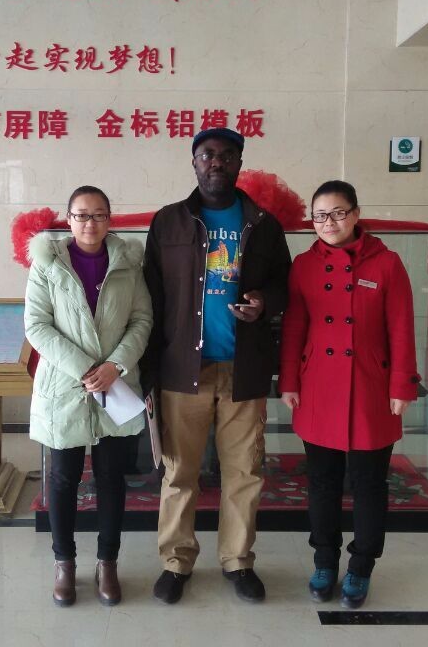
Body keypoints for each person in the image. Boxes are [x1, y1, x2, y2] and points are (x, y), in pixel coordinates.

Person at [141, 127, 292, 605]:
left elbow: (287, 286)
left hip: (242, 369)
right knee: (179, 471)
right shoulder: (168, 223)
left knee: (243, 472)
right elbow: (151, 299)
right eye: (207, 155)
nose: (217, 163)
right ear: (194, 161)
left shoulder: (263, 223)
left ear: (239, 164)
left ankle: (237, 561)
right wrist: (149, 370)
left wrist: (264, 302)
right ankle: (175, 562)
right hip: (182, 369)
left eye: (227, 156)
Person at [278, 180, 420, 608]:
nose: (329, 223)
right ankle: (324, 561)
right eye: (320, 216)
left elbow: (401, 329)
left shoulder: (387, 264)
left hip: (371, 390)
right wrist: (288, 381)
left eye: (338, 213)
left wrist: (401, 386)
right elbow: (294, 328)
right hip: (318, 388)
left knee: (369, 484)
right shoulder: (303, 265)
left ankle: (361, 567)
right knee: (321, 483)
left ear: (356, 214)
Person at [24, 186, 152, 608]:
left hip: (116, 385)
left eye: (98, 215)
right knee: (62, 479)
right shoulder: (47, 263)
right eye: (81, 215)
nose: (89, 223)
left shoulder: (129, 263)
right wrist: (85, 368)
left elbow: (141, 319)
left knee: (113, 478)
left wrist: (115, 366)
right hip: (66, 385)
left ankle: (107, 562)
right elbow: (37, 326)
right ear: (68, 218)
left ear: (110, 218)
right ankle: (64, 563)